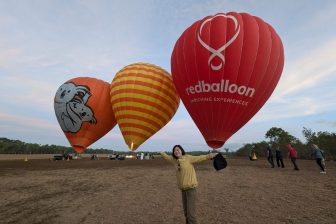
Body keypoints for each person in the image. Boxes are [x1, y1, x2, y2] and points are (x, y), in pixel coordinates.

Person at [160, 145, 217, 224]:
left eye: (178, 150)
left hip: (191, 189)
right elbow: (167, 157)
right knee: (186, 213)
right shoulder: (175, 161)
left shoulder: (188, 158)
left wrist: (210, 155)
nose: (176, 151)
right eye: (175, 150)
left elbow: (200, 158)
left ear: (181, 150)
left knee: (191, 215)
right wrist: (162, 153)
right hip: (183, 190)